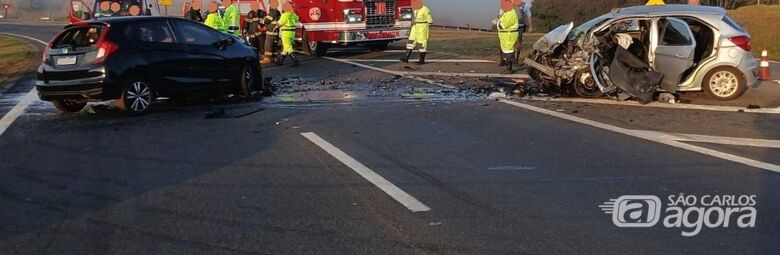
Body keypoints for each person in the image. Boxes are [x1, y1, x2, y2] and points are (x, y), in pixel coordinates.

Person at [400, 0, 433, 65]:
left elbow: (430, 21)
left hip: (422, 28)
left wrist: (424, 27)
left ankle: (422, 60)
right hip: (415, 27)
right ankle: (406, 58)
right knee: (410, 42)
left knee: (422, 44)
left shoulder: (425, 9)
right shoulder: (415, 9)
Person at [497, 0, 519, 71]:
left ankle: (509, 69)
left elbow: (503, 25)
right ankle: (508, 67)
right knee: (507, 52)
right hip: (506, 36)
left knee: (509, 52)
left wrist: (497, 23)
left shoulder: (510, 13)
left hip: (509, 36)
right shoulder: (507, 13)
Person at [276, 2, 299, 67]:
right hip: (292, 32)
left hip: (286, 32)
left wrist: (275, 27)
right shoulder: (293, 15)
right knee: (286, 48)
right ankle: (280, 61)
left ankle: (295, 61)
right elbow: (297, 19)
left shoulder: (284, 15)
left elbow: (280, 23)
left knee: (288, 47)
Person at [262, 0, 282, 64]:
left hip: (270, 32)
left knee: (268, 46)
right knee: (274, 46)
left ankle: (267, 59)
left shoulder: (272, 12)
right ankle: (274, 58)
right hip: (276, 32)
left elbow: (266, 21)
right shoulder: (278, 12)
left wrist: (265, 19)